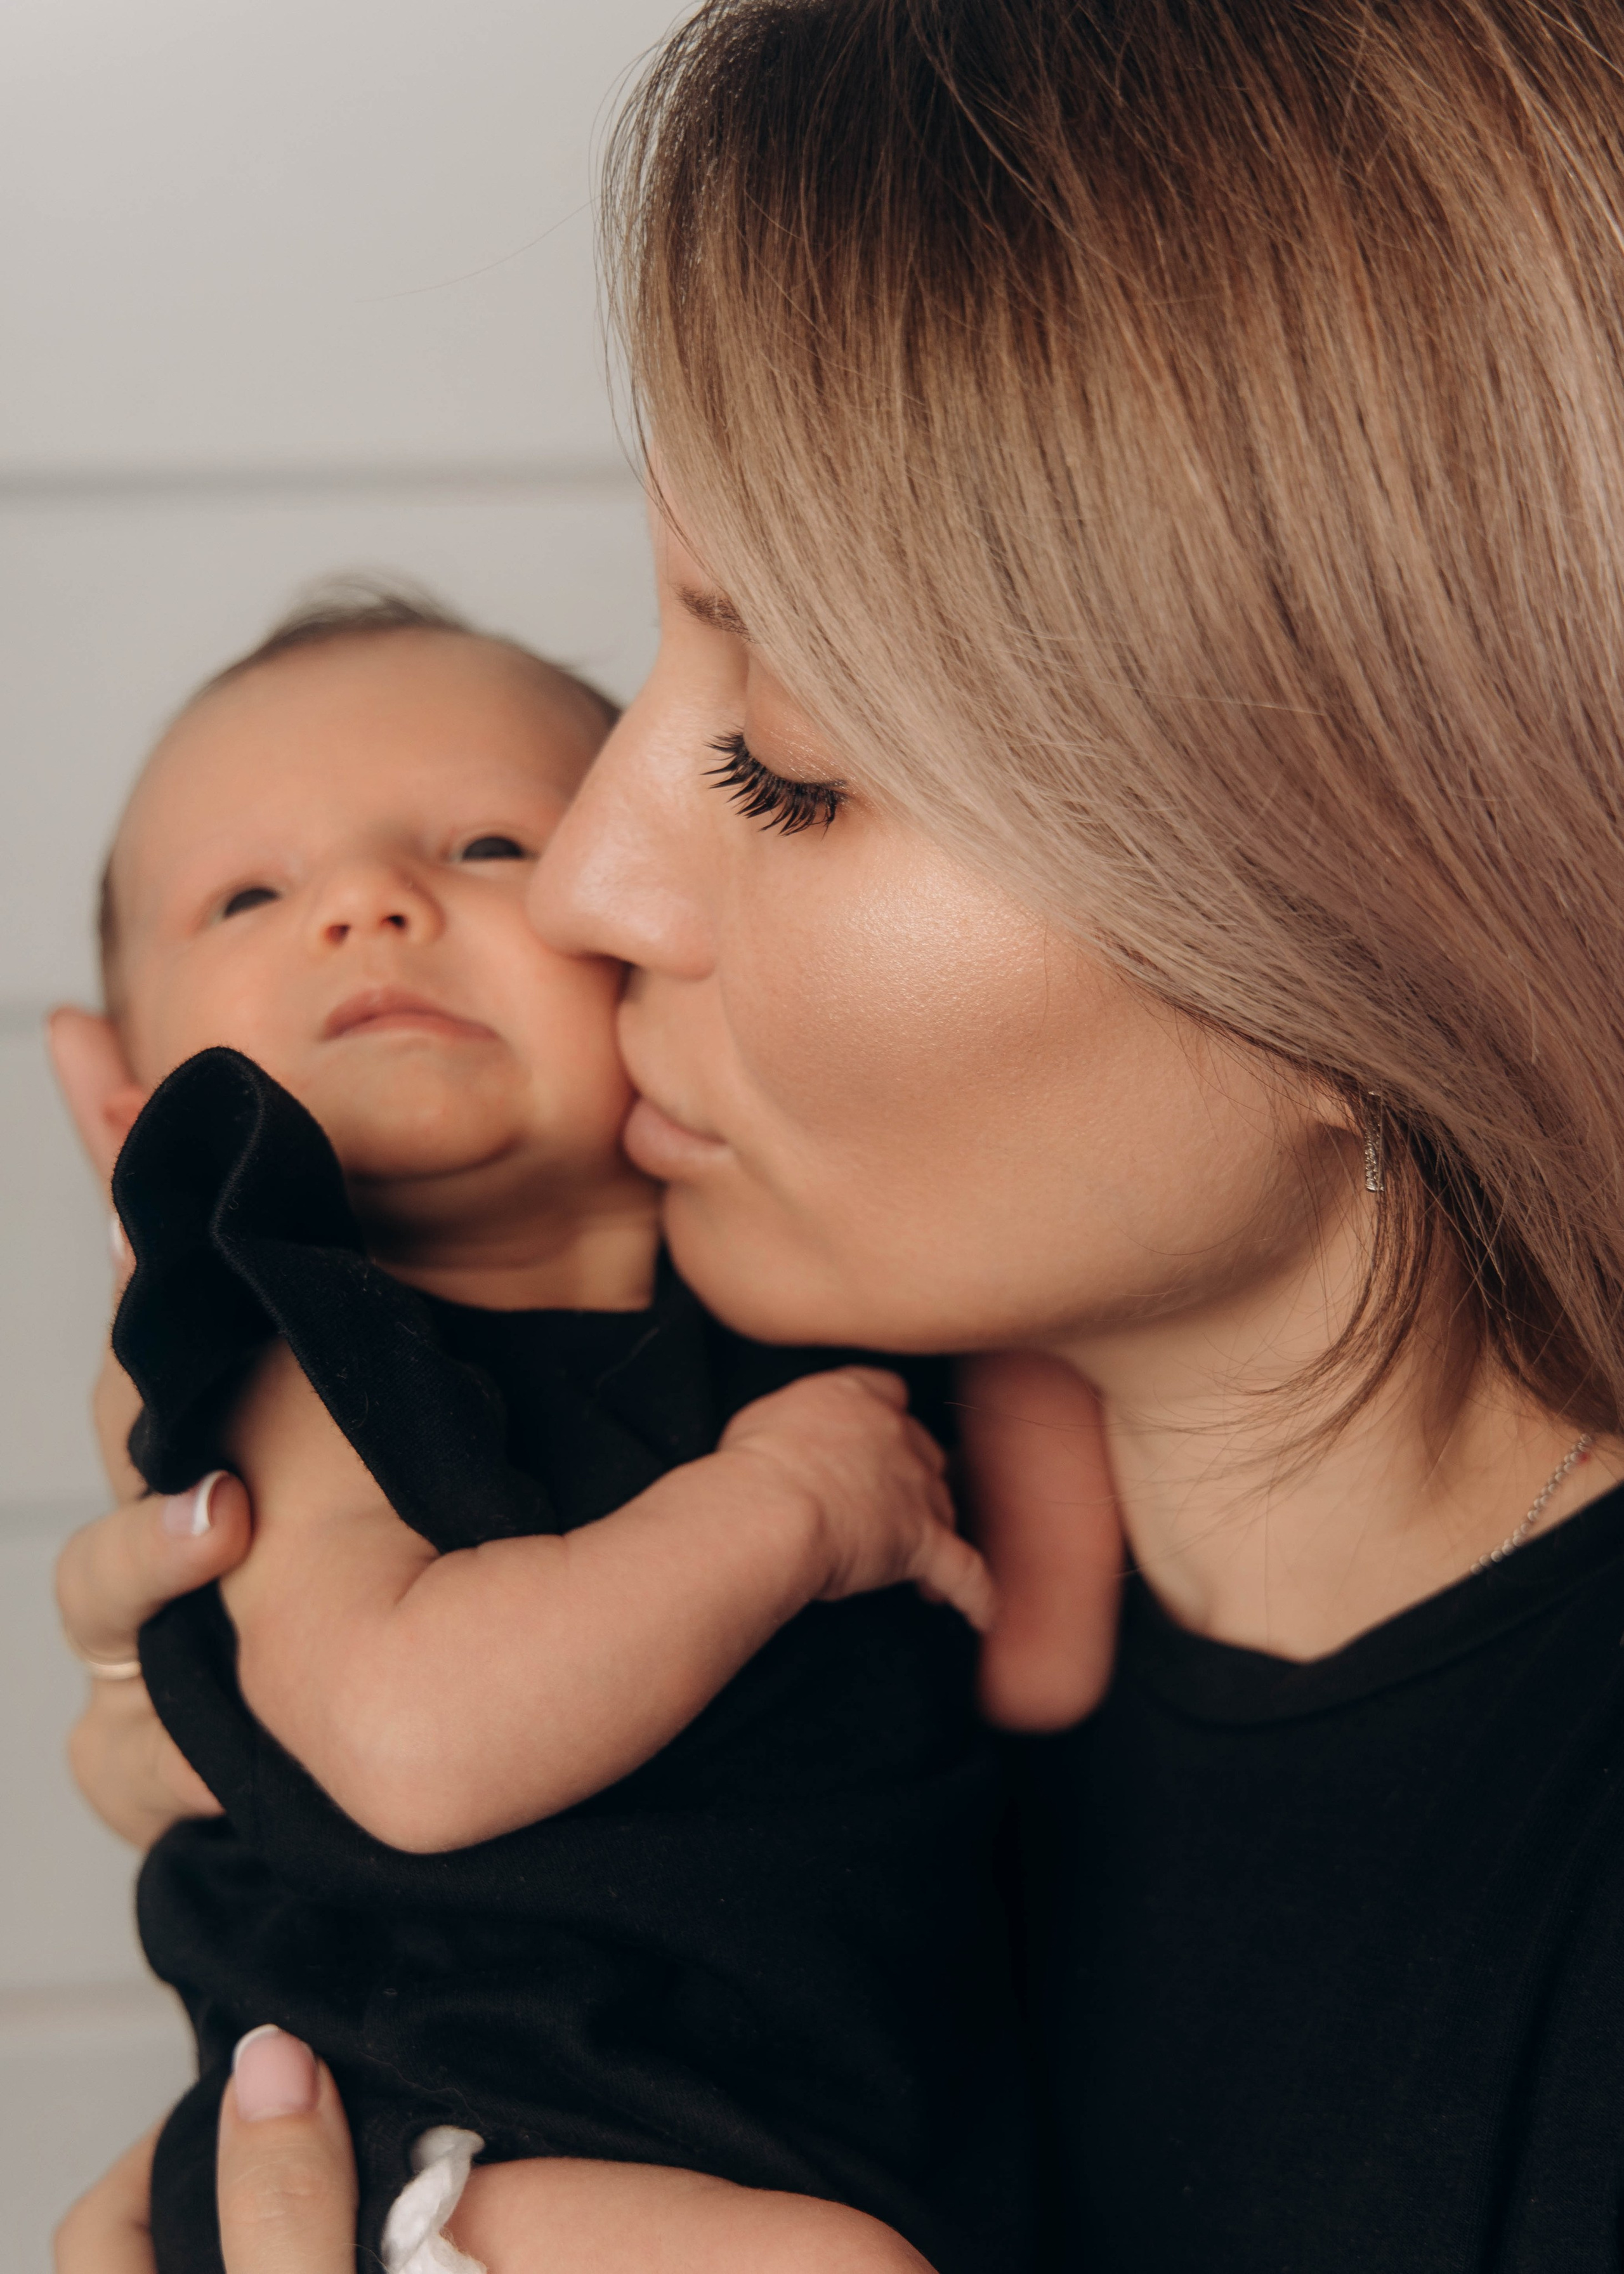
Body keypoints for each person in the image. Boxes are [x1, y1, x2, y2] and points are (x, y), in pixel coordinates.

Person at [57, 0, 1624, 2266]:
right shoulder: (855, 1537)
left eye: (790, 757)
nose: (591, 879)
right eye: (656, 653)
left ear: (1391, 922)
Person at [49, 582, 1047, 2274]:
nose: (369, 905)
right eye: (250, 894)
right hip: (451, 2126)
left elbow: (1045, 1657)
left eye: (492, 847)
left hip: (799, 2118)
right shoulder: (293, 1350)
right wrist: (787, 1509)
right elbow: (414, 1745)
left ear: (664, 944)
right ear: (130, 1102)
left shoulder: (824, 1308)